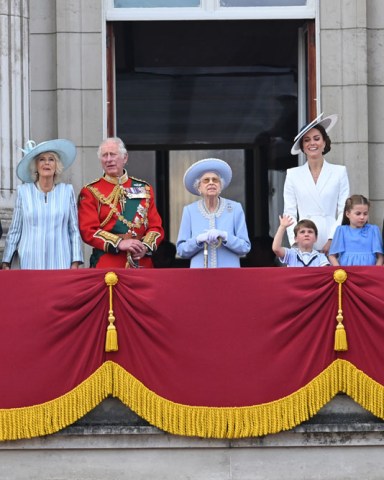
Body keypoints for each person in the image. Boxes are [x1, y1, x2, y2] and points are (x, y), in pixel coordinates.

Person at [78, 137, 164, 268]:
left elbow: (156, 227)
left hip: (141, 263)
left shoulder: (144, 188)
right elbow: (88, 230)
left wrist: (145, 247)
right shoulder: (90, 191)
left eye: (113, 154)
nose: (108, 159)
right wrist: (119, 243)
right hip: (107, 264)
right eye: (104, 155)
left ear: (125, 158)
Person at [1, 139, 83, 270]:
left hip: (61, 262)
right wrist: (6, 261)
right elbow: (15, 229)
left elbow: (73, 230)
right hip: (29, 262)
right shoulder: (24, 192)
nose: (46, 163)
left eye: (51, 159)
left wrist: (75, 261)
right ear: (35, 166)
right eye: (41, 159)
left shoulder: (66, 191)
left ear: (57, 166)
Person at [284, 113, 350, 255]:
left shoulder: (339, 172)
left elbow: (343, 210)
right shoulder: (292, 174)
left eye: (316, 138)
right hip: (304, 241)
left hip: (332, 240)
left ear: (324, 142)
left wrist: (333, 239)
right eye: (307, 140)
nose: (312, 143)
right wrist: (298, 242)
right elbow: (289, 213)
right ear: (302, 146)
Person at [176, 158, 251, 268]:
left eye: (215, 180)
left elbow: (245, 248)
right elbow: (181, 250)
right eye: (206, 180)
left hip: (229, 275)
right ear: (199, 188)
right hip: (199, 276)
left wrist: (225, 236)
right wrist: (197, 240)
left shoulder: (235, 208)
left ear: (220, 186)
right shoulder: (189, 211)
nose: (211, 183)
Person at [328, 195, 384, 266]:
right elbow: (332, 256)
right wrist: (339, 271)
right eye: (358, 214)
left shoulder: (373, 230)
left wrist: (374, 272)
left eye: (365, 214)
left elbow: (380, 256)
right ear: (348, 214)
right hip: (346, 273)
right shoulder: (341, 231)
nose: (362, 217)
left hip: (368, 273)